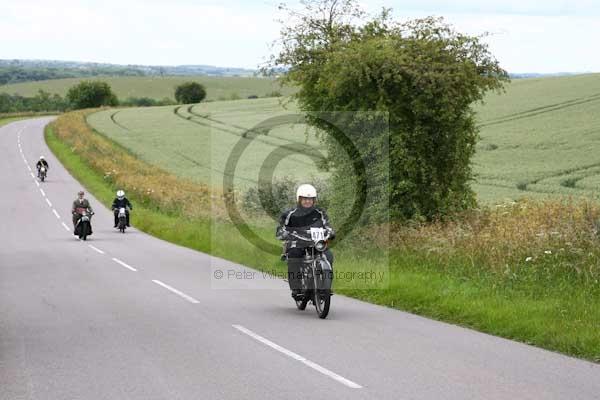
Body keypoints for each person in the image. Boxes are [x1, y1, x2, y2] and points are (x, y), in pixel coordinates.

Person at [276, 184, 335, 297]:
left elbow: (327, 226)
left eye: (310, 199)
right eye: (305, 199)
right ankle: (296, 288)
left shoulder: (320, 213)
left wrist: (330, 232)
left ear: (314, 200)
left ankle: (325, 288)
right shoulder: (290, 214)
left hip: (317, 243)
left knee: (329, 255)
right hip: (297, 243)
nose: (307, 201)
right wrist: (284, 234)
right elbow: (280, 229)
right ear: (299, 199)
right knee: (294, 256)